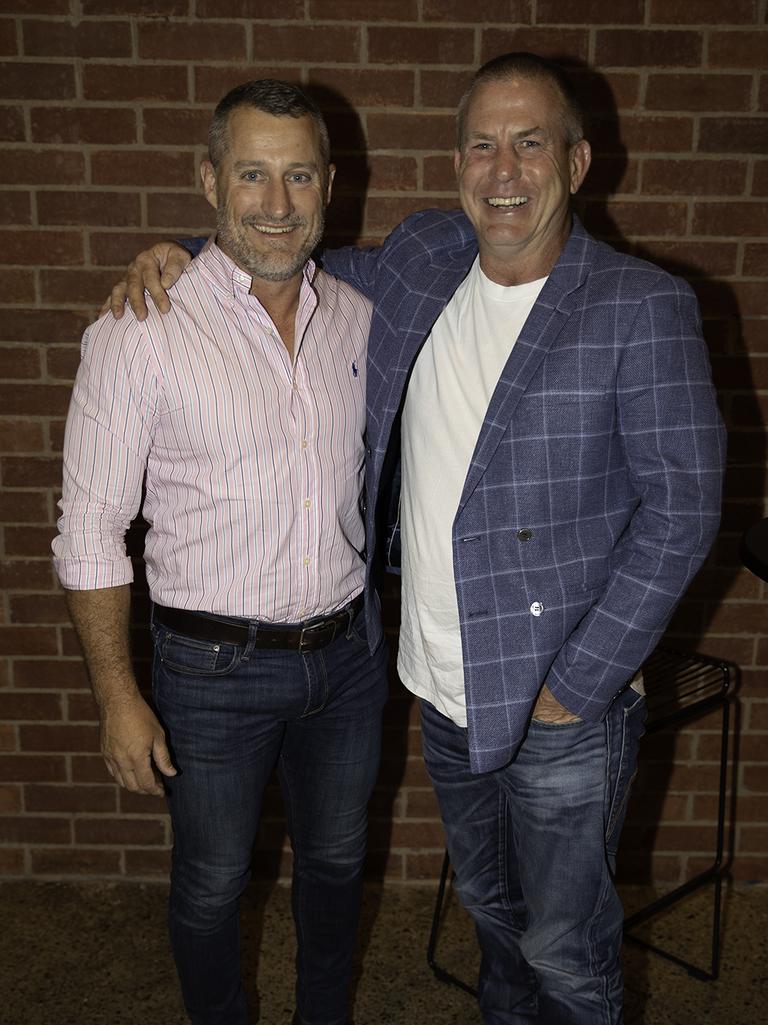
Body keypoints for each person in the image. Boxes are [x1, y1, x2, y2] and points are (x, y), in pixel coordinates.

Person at [109, 54, 726, 1025]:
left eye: (531, 143)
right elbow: (278, 252)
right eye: (483, 144)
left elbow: (685, 510)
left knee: (567, 945)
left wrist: (579, 684)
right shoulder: (424, 256)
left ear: (577, 162)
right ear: (457, 162)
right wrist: (184, 248)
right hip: (437, 685)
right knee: (488, 906)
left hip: (562, 703)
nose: (504, 169)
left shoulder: (642, 308)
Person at [53, 80, 389, 1025]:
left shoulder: (363, 323)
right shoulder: (139, 331)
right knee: (209, 886)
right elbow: (89, 529)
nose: (276, 203)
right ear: (208, 181)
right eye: (252, 173)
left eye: (297, 175)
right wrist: (119, 696)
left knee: (335, 867)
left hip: (348, 661)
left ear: (329, 185)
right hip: (207, 671)